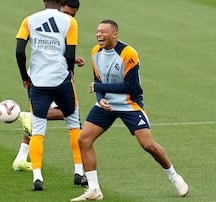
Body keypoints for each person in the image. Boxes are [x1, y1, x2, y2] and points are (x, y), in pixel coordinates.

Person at [70, 19, 189, 201]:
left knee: (148, 144)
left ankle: (174, 176)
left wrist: (100, 87)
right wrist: (100, 99)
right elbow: (98, 82)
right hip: (107, 104)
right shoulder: (95, 52)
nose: (99, 35)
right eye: (97, 31)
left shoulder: (128, 54)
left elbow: (130, 87)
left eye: (103, 31)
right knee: (84, 140)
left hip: (129, 104)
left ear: (114, 34)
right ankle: (94, 189)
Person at [15, 0, 84, 191]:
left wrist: (25, 77)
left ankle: (37, 177)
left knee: (38, 131)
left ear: (44, 1)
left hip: (37, 81)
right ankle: (79, 172)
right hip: (61, 80)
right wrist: (69, 73)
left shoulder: (29, 20)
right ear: (61, 2)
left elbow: (19, 51)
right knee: (74, 124)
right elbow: (70, 55)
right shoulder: (70, 22)